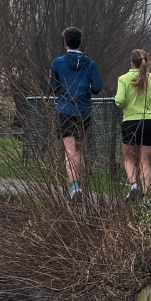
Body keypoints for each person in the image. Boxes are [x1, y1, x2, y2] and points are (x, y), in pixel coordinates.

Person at [49, 27, 103, 199]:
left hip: (65, 109)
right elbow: (97, 88)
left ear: (65, 43)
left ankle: (74, 187)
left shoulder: (58, 63)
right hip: (84, 110)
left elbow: (52, 88)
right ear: (80, 42)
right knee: (78, 148)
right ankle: (78, 185)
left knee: (69, 149)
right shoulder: (90, 64)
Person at [114, 48, 151, 204]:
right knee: (145, 161)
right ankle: (145, 197)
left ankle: (133, 186)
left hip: (130, 122)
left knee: (129, 159)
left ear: (132, 63)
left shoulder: (124, 79)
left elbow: (119, 101)